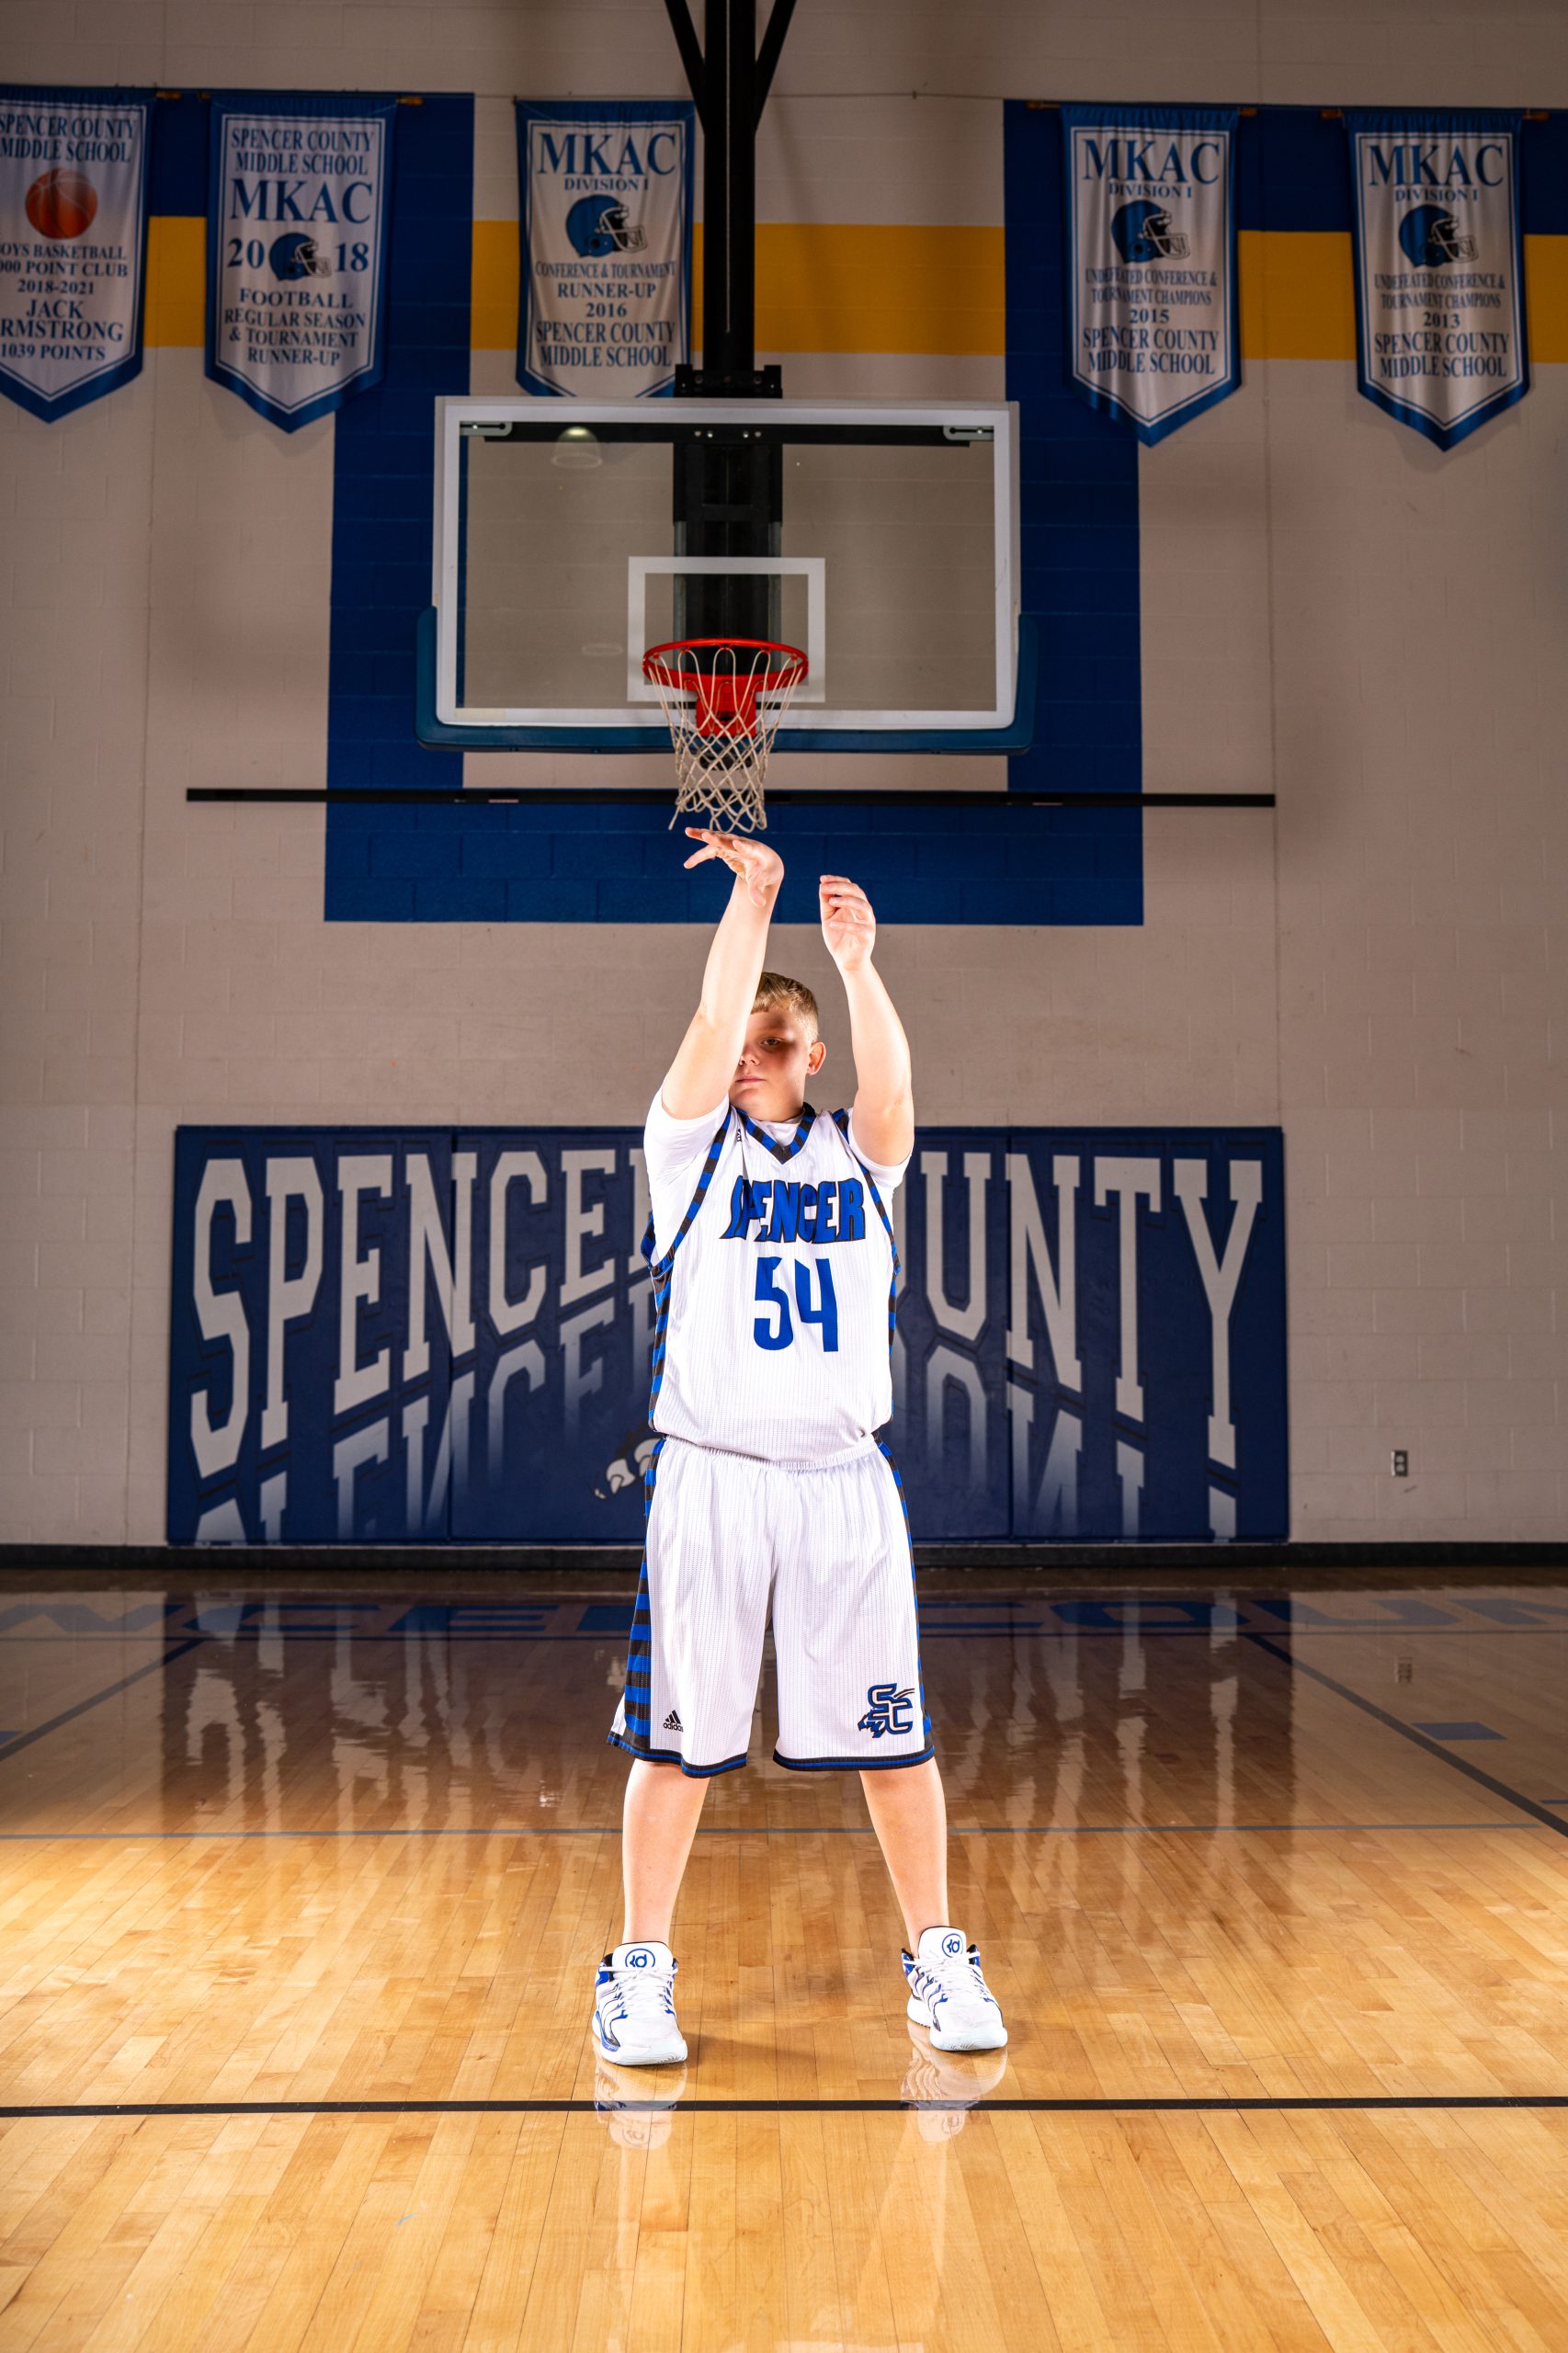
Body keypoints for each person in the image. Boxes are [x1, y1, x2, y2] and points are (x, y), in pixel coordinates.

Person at [591, 828, 1007, 2066]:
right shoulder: (686, 1150)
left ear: (812, 1057)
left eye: (776, 1042)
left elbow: (895, 1092)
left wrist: (859, 965)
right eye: (742, 1039)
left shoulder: (859, 1161)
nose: (748, 1056)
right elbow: (713, 1013)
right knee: (678, 1743)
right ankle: (636, 1971)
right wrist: (755, 898)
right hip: (711, 1477)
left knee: (894, 1739)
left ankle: (937, 1957)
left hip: (842, 1483)